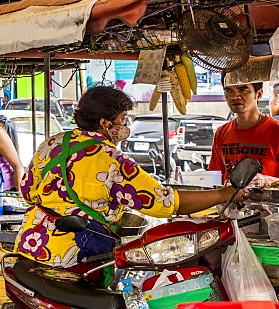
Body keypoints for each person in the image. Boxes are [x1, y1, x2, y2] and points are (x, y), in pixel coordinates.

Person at [16, 86, 252, 268]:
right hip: (72, 253)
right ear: (104, 123)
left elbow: (27, 191)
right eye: (123, 119)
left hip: (31, 242)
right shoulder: (111, 159)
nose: (125, 125)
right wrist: (223, 194)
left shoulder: (52, 143)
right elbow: (163, 204)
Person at [210, 81, 279, 185]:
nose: (235, 96)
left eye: (243, 89)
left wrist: (267, 180)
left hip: (267, 200)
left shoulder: (276, 131)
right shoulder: (222, 132)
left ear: (259, 94)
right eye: (229, 90)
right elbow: (215, 177)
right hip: (229, 200)